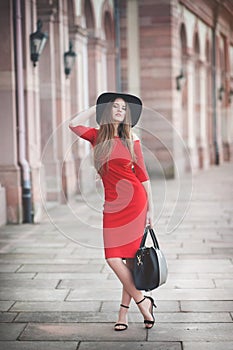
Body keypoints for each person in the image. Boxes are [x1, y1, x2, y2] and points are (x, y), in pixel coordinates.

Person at [69, 92, 156, 331]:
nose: (119, 110)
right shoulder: (96, 136)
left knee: (128, 260)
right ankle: (143, 302)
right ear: (109, 111)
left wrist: (151, 209)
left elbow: (143, 175)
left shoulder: (131, 137)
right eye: (115, 106)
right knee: (112, 258)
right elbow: (72, 124)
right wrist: (94, 108)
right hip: (113, 206)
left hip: (135, 203)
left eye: (123, 108)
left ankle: (123, 314)